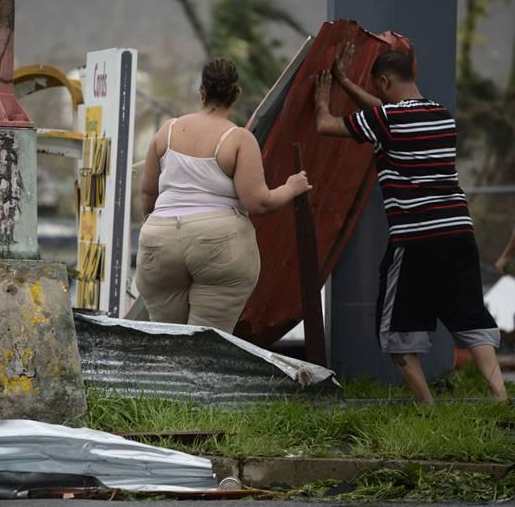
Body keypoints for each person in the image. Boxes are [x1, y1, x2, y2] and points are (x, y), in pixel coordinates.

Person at [313, 43, 507, 404]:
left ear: (384, 81)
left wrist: (325, 97)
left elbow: (326, 126)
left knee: (395, 330)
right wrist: (345, 81)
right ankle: (500, 399)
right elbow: (385, 112)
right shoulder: (442, 115)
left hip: (417, 238)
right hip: (459, 233)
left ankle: (427, 408)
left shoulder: (386, 120)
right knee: (471, 318)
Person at [137, 58, 311, 333]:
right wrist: (291, 187)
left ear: (202, 92)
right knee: (206, 344)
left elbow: (148, 193)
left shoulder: (166, 131)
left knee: (168, 339)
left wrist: (158, 227)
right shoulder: (238, 139)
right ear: (236, 95)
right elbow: (259, 202)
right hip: (218, 241)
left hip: (160, 237)